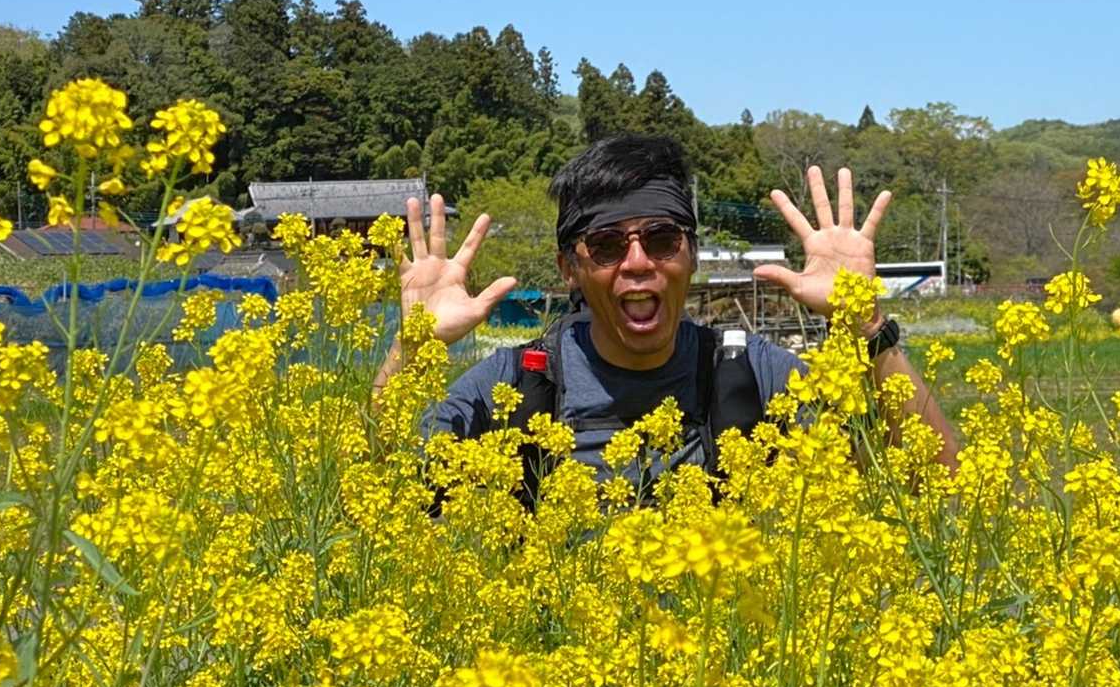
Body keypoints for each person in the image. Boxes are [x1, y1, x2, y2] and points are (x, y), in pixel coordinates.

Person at [373, 134, 957, 480]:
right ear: (569, 268)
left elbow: (936, 484)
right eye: (606, 245)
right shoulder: (520, 384)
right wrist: (412, 344)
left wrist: (865, 323)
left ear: (692, 255)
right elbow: (380, 482)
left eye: (661, 239)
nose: (636, 262)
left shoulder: (751, 374)